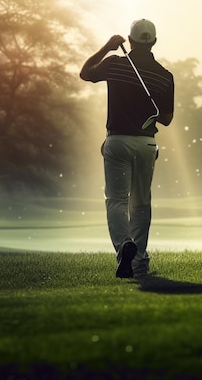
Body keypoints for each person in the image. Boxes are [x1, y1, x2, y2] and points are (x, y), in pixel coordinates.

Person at [79, 19, 174, 278]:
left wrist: (107, 47)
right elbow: (166, 118)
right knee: (141, 203)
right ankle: (139, 262)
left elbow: (85, 73)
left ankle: (124, 246)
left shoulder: (115, 64)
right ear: (154, 41)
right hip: (146, 143)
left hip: (118, 141)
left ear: (130, 41)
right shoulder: (165, 76)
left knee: (117, 200)